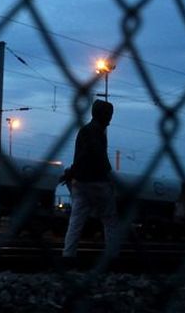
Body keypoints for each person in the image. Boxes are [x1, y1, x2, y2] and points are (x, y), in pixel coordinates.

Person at [63, 99, 119, 258]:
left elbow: (80, 157)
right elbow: (98, 155)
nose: (110, 118)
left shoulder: (85, 130)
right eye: (109, 114)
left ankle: (68, 255)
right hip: (98, 182)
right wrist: (110, 175)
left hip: (80, 183)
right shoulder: (97, 132)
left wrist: (71, 173)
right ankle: (112, 256)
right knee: (110, 219)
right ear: (104, 115)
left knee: (76, 221)